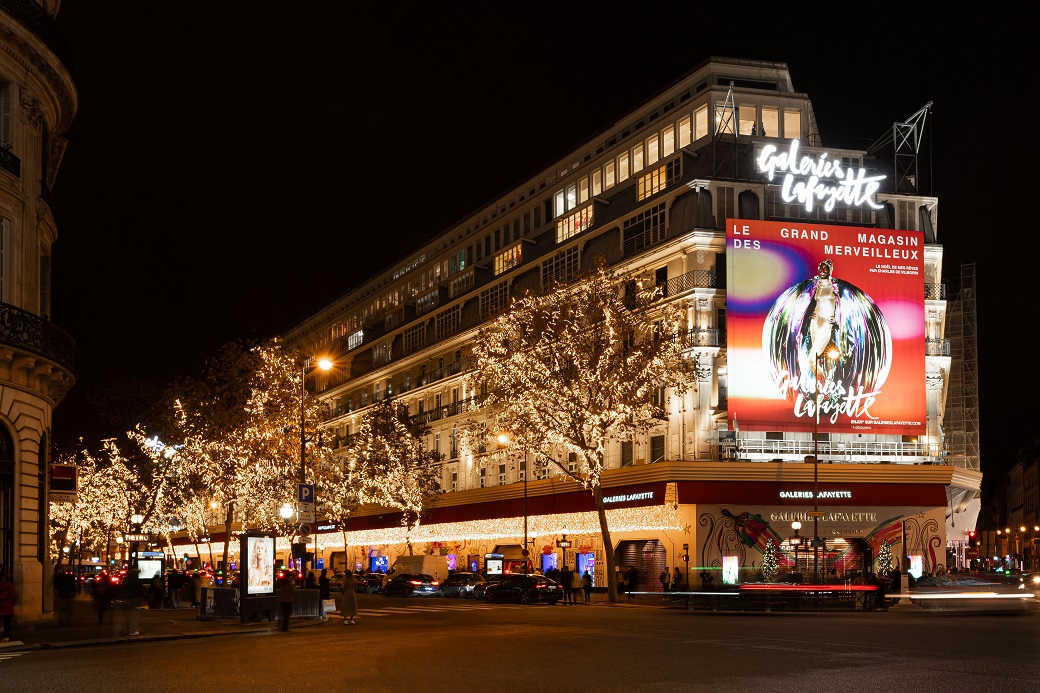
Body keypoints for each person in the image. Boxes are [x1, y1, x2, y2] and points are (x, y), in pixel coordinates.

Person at [0, 569, 17, 644]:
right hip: (7, 607)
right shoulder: (8, 585)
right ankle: (6, 637)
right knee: (7, 623)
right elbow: (13, 596)